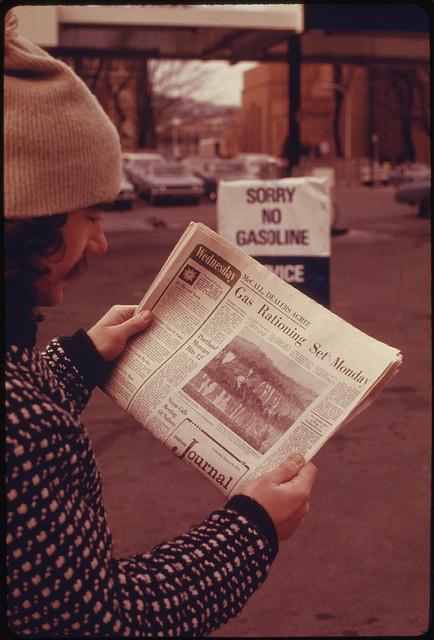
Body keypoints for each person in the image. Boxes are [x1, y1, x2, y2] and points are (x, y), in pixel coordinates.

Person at [4, 9, 318, 637]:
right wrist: (252, 528)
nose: (100, 244)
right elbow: (103, 621)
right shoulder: (26, 429)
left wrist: (81, 359)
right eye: (88, 215)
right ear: (26, 219)